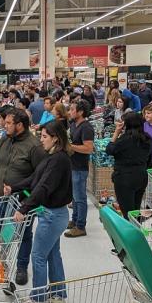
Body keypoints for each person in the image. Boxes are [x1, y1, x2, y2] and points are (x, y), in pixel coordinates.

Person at [5, 120, 72, 303]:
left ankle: (38, 300)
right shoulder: (54, 158)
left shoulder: (58, 161)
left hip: (52, 216)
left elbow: (43, 188)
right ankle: (58, 295)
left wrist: (23, 208)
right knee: (52, 254)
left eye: (44, 137)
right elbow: (35, 179)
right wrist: (14, 187)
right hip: (55, 215)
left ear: (55, 139)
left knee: (38, 256)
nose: (40, 140)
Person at [0, 107, 46, 285]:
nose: (4, 125)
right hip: (2, 197)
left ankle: (22, 267)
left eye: (8, 123)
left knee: (24, 234)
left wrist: (28, 202)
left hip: (22, 199)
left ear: (20, 125)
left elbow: (41, 177)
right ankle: (2, 263)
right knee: (0, 228)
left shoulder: (34, 146)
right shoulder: (5, 140)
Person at [107, 111, 152, 218]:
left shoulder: (125, 139)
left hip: (124, 177)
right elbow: (150, 159)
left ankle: (129, 233)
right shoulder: (147, 139)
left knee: (127, 213)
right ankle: (137, 231)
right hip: (141, 175)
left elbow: (109, 149)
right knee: (135, 211)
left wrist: (116, 132)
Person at [65, 99, 95, 238]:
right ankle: (75, 220)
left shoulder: (86, 127)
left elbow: (89, 148)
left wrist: (71, 147)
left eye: (72, 109)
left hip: (80, 167)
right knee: (75, 197)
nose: (70, 112)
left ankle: (81, 226)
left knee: (80, 197)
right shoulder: (73, 124)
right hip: (72, 165)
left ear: (81, 112)